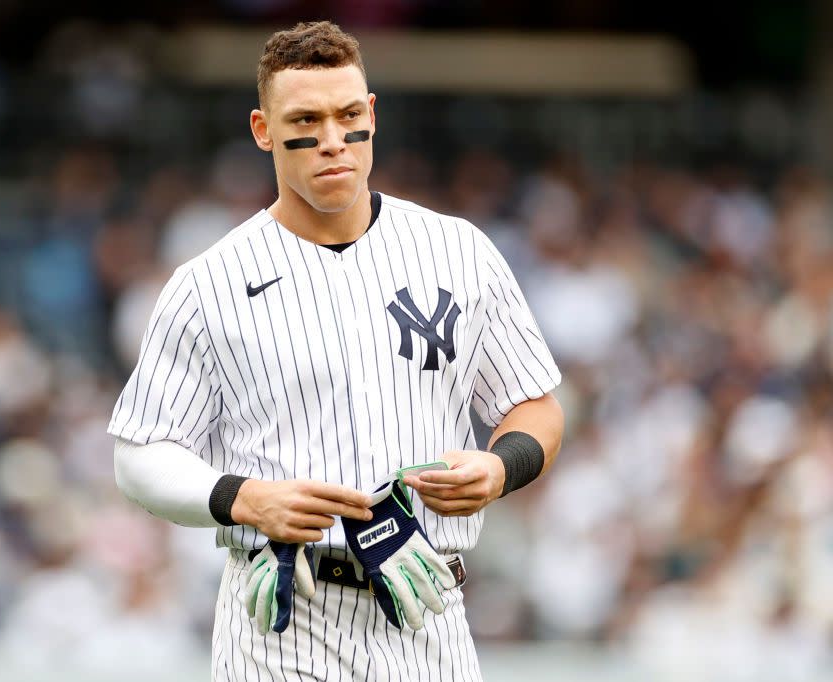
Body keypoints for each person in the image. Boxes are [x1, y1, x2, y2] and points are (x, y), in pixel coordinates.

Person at [109, 21, 564, 681]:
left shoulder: (458, 251)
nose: (331, 141)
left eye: (348, 115)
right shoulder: (208, 283)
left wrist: (500, 468)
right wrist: (244, 498)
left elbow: (536, 406)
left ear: (372, 115)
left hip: (427, 609)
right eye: (306, 120)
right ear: (264, 131)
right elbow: (139, 455)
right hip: (283, 618)